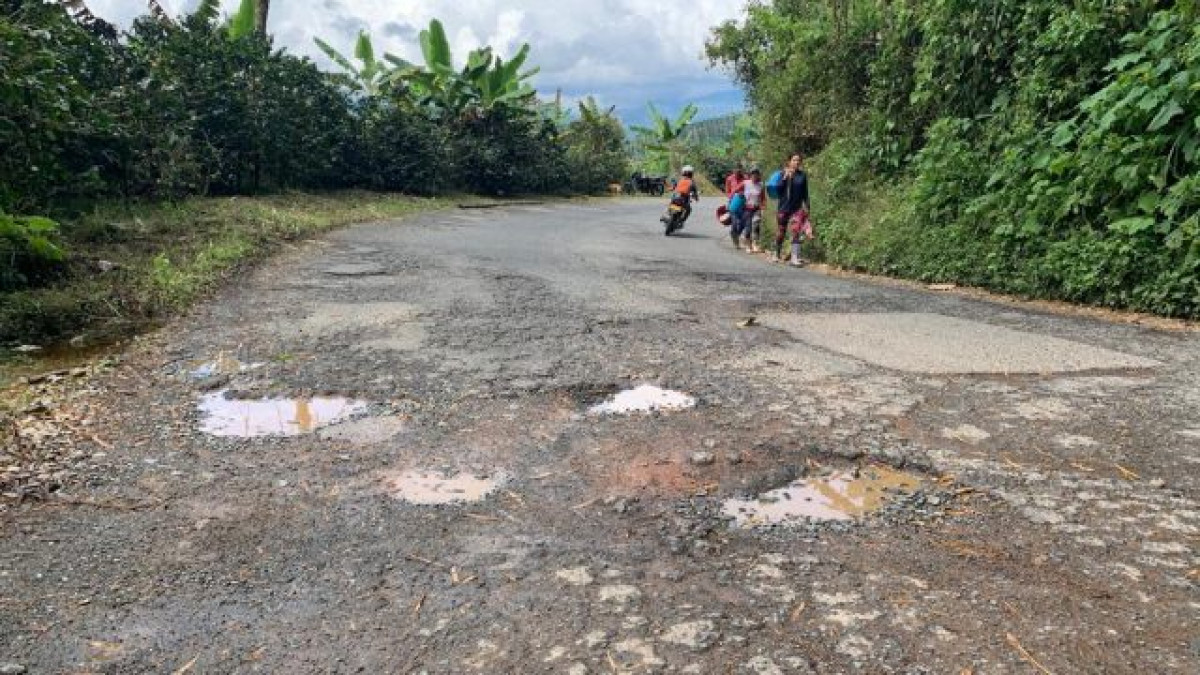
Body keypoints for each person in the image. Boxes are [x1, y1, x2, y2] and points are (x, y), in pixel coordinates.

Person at [773, 153, 811, 265]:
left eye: (798, 160)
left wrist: (808, 206)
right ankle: (776, 253)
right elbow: (778, 190)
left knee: (796, 231)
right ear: (789, 162)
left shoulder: (802, 175)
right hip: (784, 207)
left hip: (797, 208)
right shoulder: (782, 174)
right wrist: (785, 178)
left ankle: (794, 258)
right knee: (781, 231)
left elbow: (805, 193)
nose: (797, 162)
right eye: (794, 160)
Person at [740, 168, 764, 252]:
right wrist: (737, 196)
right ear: (751, 175)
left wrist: (763, 207)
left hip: (756, 208)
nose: (755, 176)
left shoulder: (761, 184)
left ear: (758, 175)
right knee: (748, 227)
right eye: (753, 174)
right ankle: (748, 245)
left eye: (756, 174)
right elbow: (736, 190)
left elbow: (763, 197)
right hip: (747, 208)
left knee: (756, 225)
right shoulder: (746, 183)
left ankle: (755, 244)